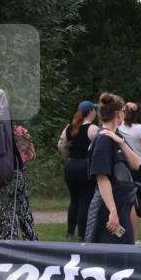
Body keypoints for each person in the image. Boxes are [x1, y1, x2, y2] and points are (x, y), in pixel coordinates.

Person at [84, 93, 141, 245]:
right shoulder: (103, 139)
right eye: (124, 110)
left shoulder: (116, 137)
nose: (125, 114)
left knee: (126, 246)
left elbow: (136, 164)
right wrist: (112, 212)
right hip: (108, 209)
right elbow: (102, 178)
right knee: (107, 255)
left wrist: (121, 142)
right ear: (118, 114)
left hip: (121, 205)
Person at [58, 101, 100, 240]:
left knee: (74, 200)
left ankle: (70, 232)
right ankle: (82, 235)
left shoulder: (70, 127)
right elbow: (99, 148)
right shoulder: (93, 129)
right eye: (95, 109)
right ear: (91, 112)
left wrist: (68, 157)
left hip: (70, 166)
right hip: (85, 166)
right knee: (85, 200)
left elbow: (61, 145)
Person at [0, 124, 39, 241]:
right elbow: (31, 155)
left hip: (0, 173)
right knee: (24, 212)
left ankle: (9, 243)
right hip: (16, 171)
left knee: (6, 215)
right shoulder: (19, 131)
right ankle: (32, 243)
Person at [117, 102, 141, 243]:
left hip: (123, 166)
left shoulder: (118, 127)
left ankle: (120, 234)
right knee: (133, 202)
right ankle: (134, 238)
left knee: (121, 202)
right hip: (139, 166)